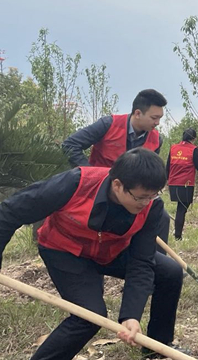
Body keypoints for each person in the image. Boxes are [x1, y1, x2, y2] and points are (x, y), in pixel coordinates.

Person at [0, 149, 184, 360]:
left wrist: (131, 315)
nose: (146, 203)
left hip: (112, 251)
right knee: (89, 316)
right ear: (118, 185)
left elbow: (141, 261)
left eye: (152, 196)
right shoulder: (75, 183)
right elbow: (12, 209)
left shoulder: (152, 207)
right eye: (140, 197)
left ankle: (157, 350)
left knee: (170, 272)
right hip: (65, 251)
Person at [62, 89, 171, 245]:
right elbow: (70, 145)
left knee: (162, 218)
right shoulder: (108, 124)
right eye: (154, 118)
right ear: (138, 113)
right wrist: (89, 173)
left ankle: (149, 258)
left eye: (160, 118)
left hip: (133, 194)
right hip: (101, 191)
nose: (157, 123)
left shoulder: (156, 140)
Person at [166, 128, 198, 240]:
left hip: (173, 183)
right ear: (194, 138)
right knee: (182, 209)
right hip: (186, 184)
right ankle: (178, 236)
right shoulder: (193, 149)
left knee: (180, 208)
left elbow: (168, 166)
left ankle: (177, 234)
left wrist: (166, 181)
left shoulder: (173, 148)